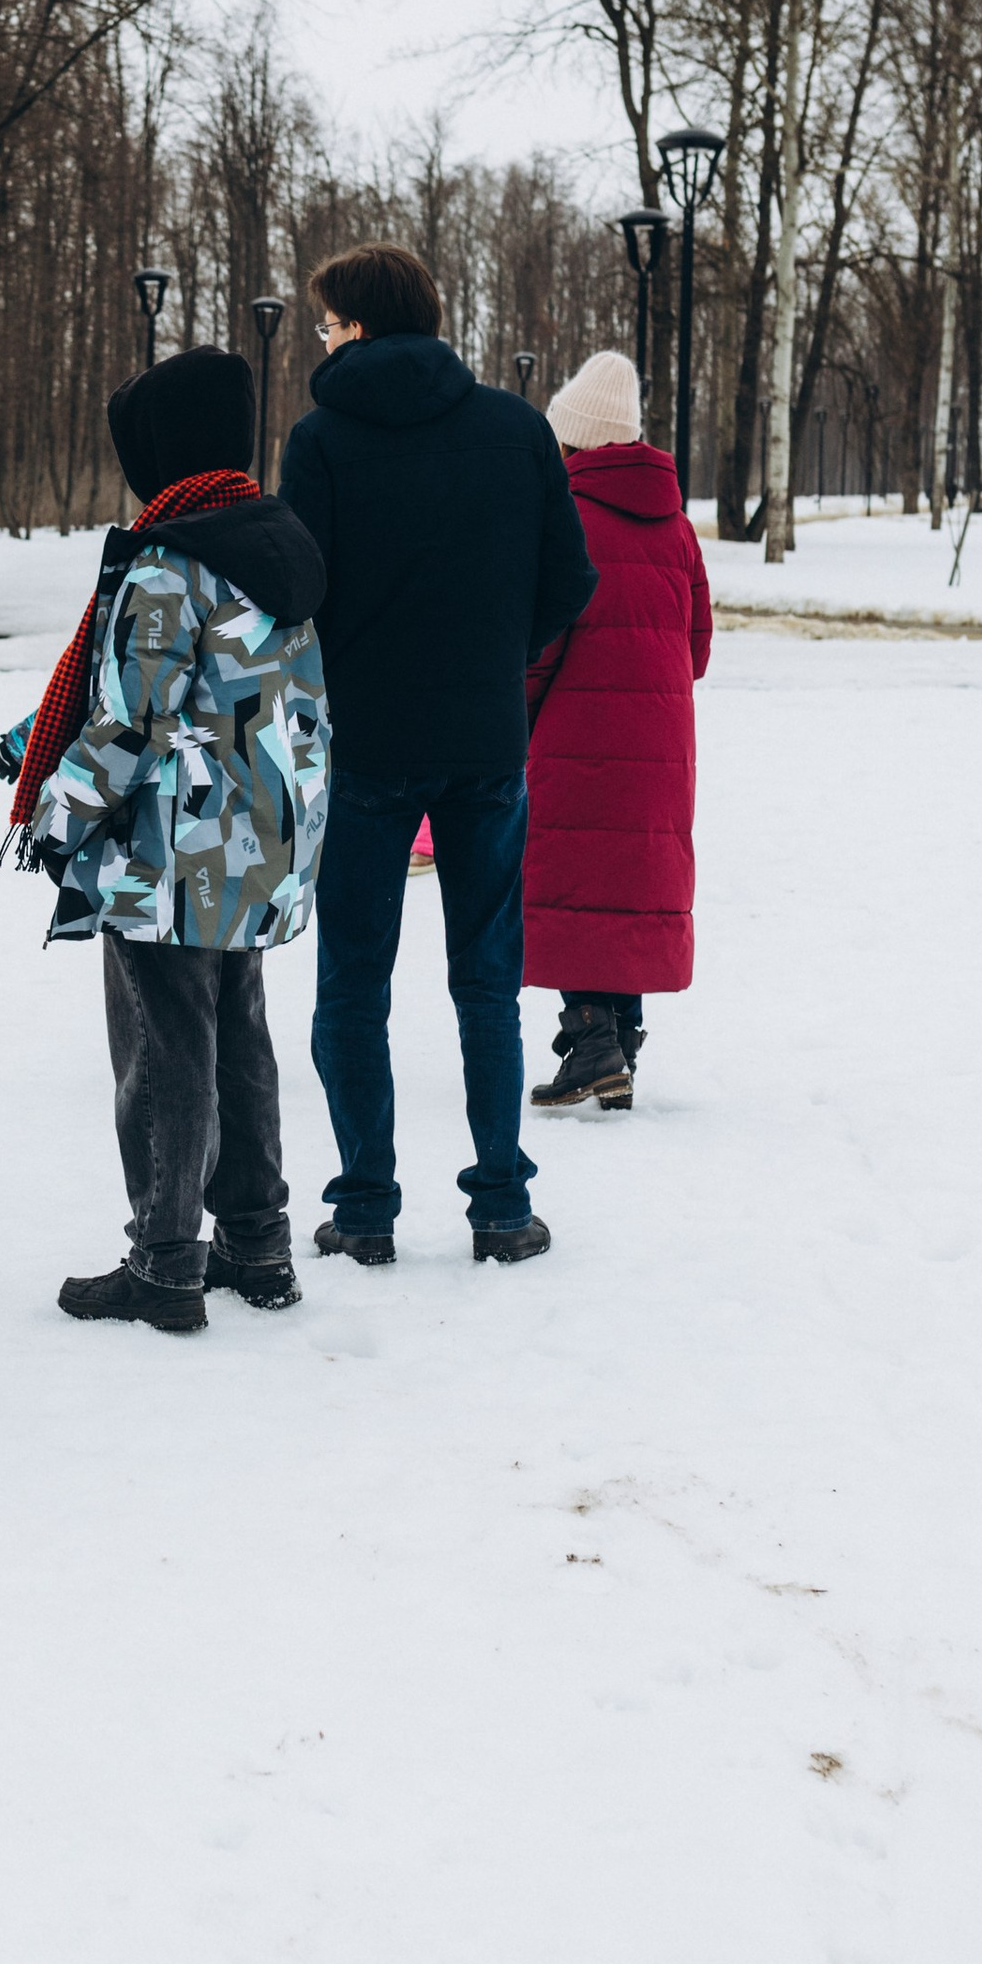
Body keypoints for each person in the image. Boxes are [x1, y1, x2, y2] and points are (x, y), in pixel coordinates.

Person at [0, 348, 330, 1333]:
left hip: (169, 855)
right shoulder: (273, 547)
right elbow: (218, 692)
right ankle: (257, 1244)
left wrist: (58, 814)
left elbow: (132, 718)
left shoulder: (169, 563)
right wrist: (32, 738)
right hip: (256, 845)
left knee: (163, 1050)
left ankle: (166, 1259)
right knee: (238, 1039)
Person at [282, 243, 597, 1268]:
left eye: (328, 322)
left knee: (351, 985)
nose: (323, 338)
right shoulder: (515, 428)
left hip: (367, 744)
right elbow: (569, 580)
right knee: (487, 983)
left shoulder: (320, 441)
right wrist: (499, 656)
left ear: (360, 325)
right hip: (485, 740)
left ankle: (365, 1208)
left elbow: (299, 595)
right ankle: (501, 1204)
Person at [520, 350, 712, 1111]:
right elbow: (697, 649)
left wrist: (516, 714)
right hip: (661, 743)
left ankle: (593, 1038)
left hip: (576, 735)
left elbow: (540, 645)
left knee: (576, 883)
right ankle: (618, 1044)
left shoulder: (566, 520)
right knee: (627, 890)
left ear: (576, 439)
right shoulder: (679, 528)